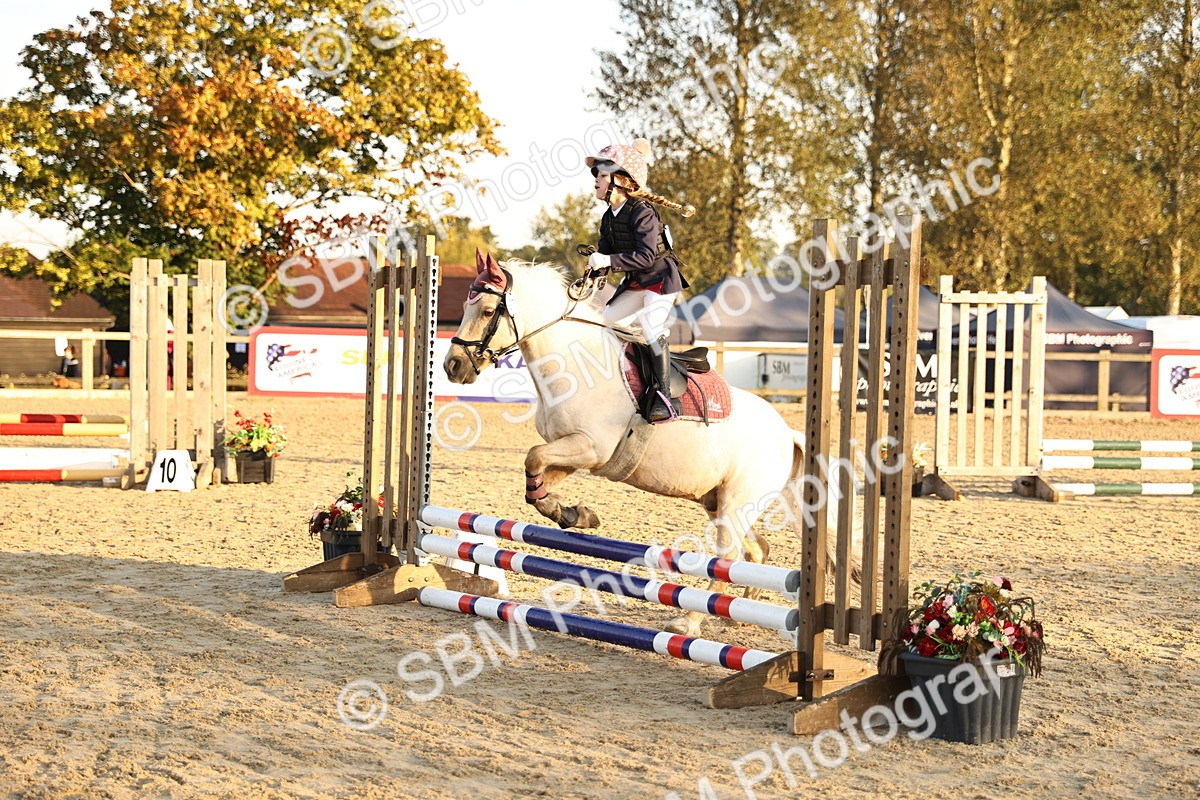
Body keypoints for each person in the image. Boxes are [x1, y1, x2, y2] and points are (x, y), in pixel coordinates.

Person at [585, 138, 695, 422]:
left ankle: (663, 396)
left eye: (602, 174)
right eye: (595, 174)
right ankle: (622, 385)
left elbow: (646, 257)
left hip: (660, 280)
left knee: (649, 324)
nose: (596, 179)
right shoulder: (609, 217)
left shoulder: (643, 213)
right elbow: (606, 254)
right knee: (606, 322)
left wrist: (607, 261)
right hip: (636, 283)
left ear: (621, 181)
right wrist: (594, 269)